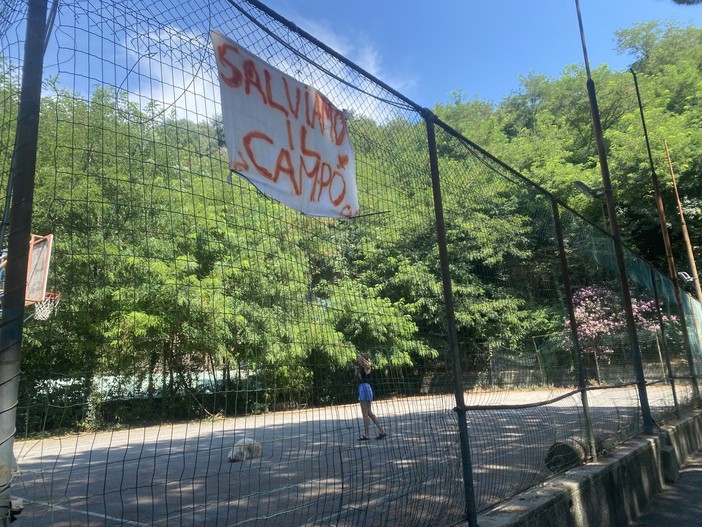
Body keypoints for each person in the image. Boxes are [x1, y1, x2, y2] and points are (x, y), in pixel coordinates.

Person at [355, 353, 386, 441]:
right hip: (364, 388)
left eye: (359, 359)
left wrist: (362, 359)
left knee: (365, 414)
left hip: (364, 389)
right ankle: (382, 431)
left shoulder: (367, 367)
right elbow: (358, 379)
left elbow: (368, 366)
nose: (358, 360)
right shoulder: (361, 369)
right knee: (369, 413)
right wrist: (357, 373)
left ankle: (366, 434)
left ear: (363, 359)